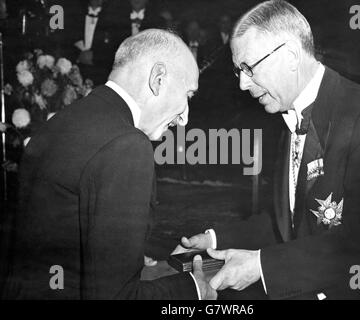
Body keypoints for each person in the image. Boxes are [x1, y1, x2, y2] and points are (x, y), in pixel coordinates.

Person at [174, 0, 360, 299]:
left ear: (292, 56)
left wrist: (261, 265)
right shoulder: (289, 114)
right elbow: (290, 222)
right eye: (237, 71)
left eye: (249, 68)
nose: (243, 84)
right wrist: (213, 240)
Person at [2, 29, 216, 300]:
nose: (185, 117)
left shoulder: (59, 122)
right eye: (188, 95)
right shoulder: (127, 145)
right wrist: (193, 289)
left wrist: (127, 257)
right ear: (158, 78)